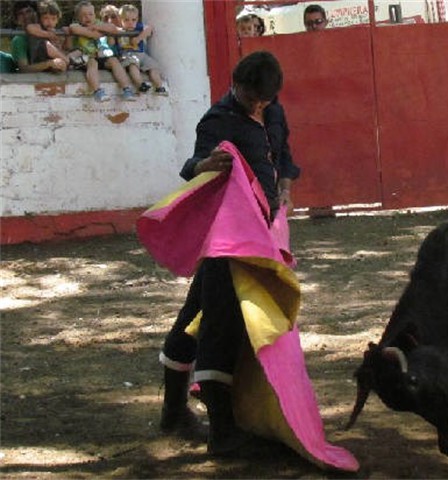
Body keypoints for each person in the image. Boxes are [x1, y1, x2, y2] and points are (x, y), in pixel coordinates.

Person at [159, 51, 300, 456]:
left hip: (261, 235)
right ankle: (222, 434)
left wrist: (285, 186)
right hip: (228, 236)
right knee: (222, 325)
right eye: (250, 98)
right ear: (236, 84)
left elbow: (283, 156)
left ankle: (173, 413)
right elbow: (193, 165)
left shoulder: (273, 111)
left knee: (195, 315)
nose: (256, 107)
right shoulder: (218, 119)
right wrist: (205, 164)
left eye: (263, 101)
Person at [69, 0, 136, 102]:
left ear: (95, 15)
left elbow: (112, 28)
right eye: (84, 15)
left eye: (90, 14)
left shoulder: (98, 24)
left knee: (113, 60)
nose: (88, 17)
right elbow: (74, 29)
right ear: (78, 17)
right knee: (92, 63)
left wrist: (96, 27)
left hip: (101, 55)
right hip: (86, 57)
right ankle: (98, 91)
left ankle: (126, 89)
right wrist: (94, 34)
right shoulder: (76, 25)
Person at [115, 4, 167, 95]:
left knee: (153, 66)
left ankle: (159, 87)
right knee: (132, 66)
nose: (130, 23)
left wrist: (139, 38)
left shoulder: (139, 27)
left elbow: (149, 29)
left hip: (141, 54)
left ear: (137, 19)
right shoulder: (118, 29)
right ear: (120, 20)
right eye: (126, 20)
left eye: (133, 20)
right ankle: (140, 84)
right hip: (127, 54)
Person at [10, 0, 66, 73]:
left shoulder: (46, 30)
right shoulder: (19, 39)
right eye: (20, 14)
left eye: (28, 11)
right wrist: (50, 63)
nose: (26, 16)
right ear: (16, 19)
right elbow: (24, 69)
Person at [25, 0, 70, 72]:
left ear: (57, 19)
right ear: (40, 18)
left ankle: (66, 63)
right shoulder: (38, 27)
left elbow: (67, 48)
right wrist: (48, 34)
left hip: (55, 60)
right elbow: (30, 28)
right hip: (40, 60)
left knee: (77, 51)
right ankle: (67, 61)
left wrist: (67, 36)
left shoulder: (58, 32)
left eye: (53, 19)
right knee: (46, 44)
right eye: (46, 18)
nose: (50, 22)